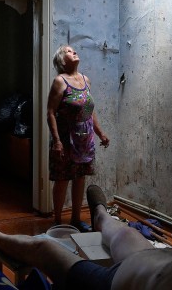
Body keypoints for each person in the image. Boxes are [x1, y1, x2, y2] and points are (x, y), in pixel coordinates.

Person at [0, 185, 172, 290]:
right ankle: (100, 215)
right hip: (148, 258)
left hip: (113, 282)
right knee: (124, 231)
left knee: (44, 247)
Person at [47, 45, 110, 231]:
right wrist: (56, 141)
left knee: (80, 178)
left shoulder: (86, 80)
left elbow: (89, 111)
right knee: (62, 179)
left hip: (84, 140)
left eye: (73, 50)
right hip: (66, 140)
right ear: (61, 60)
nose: (73, 51)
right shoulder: (60, 81)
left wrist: (101, 133)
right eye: (68, 51)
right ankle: (57, 222)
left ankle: (75, 219)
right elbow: (50, 112)